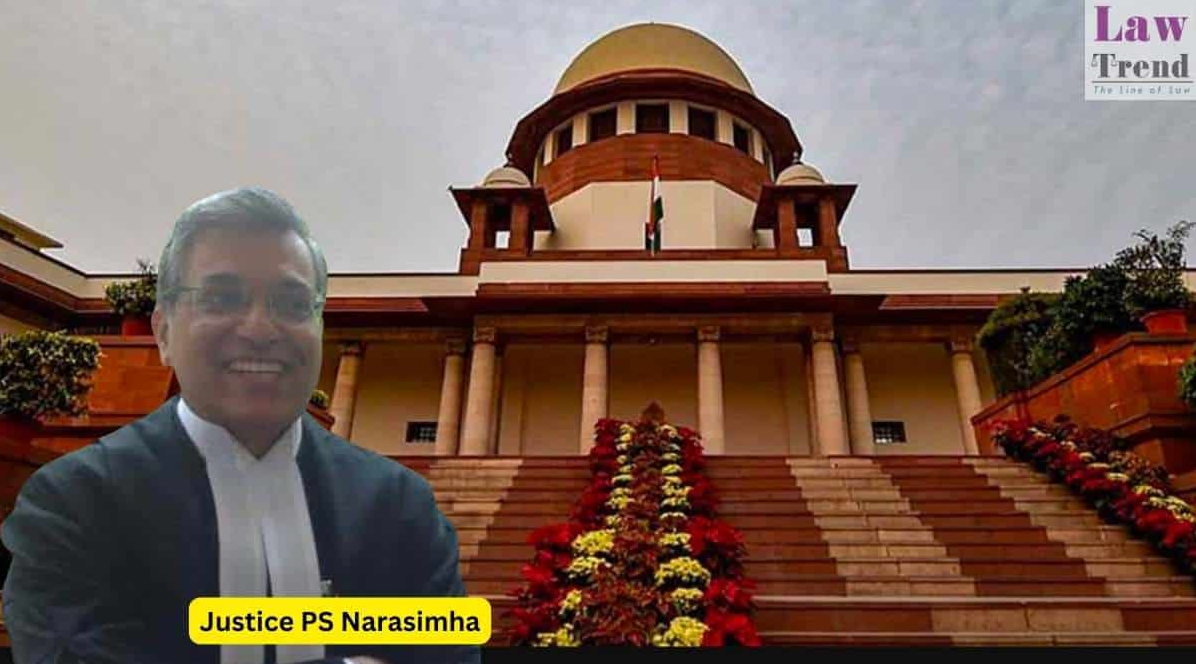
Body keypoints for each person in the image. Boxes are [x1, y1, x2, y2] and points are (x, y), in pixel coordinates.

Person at [1, 188, 480, 664]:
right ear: (163, 332)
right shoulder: (78, 501)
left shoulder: (398, 507)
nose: (259, 329)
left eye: (292, 304)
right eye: (222, 299)